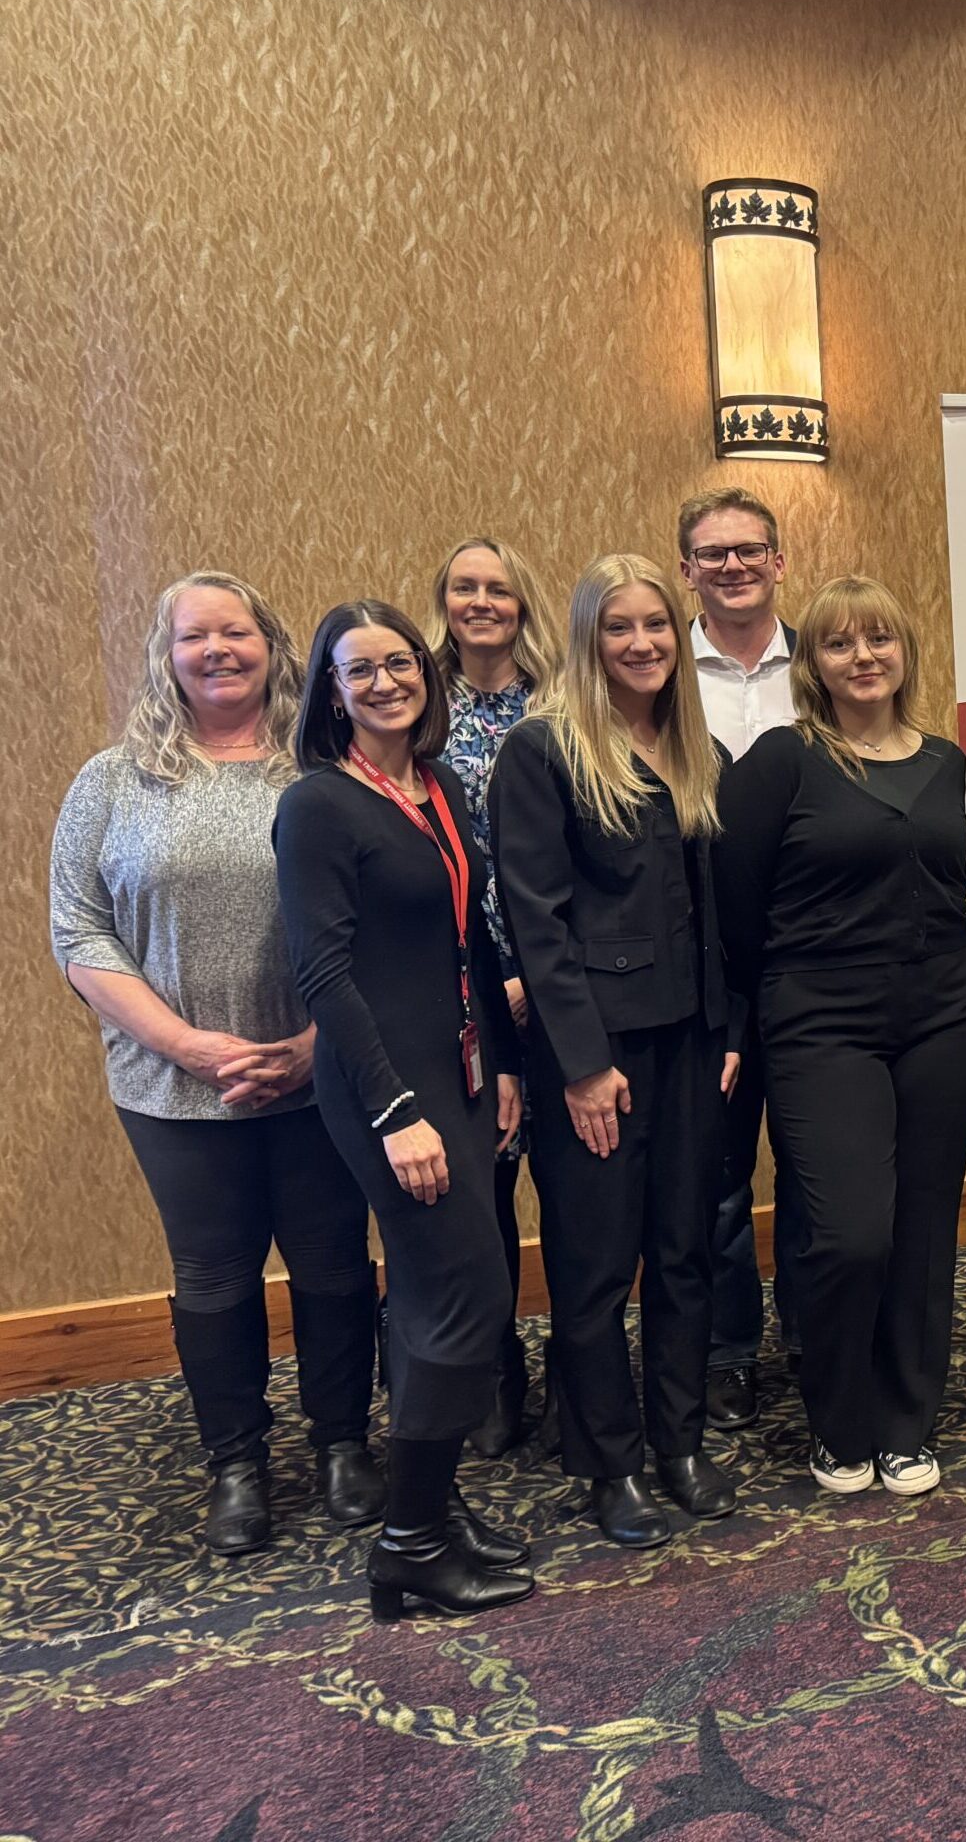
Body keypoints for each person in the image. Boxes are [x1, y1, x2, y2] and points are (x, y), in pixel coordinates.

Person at [50, 573, 382, 1556]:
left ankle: (341, 1444)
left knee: (331, 1262)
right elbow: (80, 935)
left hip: (322, 1071)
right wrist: (189, 1044)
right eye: (194, 637)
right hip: (172, 1085)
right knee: (213, 1273)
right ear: (168, 655)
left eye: (235, 632)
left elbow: (381, 923)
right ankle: (235, 1463)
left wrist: (318, 1046)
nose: (216, 651)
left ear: (273, 648)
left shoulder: (325, 769)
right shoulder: (111, 781)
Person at [273, 600, 532, 1618]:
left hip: (461, 1072)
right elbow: (323, 973)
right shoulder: (319, 806)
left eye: (399, 662)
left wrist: (503, 1065)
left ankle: (437, 1507)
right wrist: (393, 1112)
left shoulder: (438, 785)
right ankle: (411, 1544)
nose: (385, 681)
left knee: (456, 1296)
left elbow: (476, 947)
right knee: (461, 1299)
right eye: (359, 669)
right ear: (330, 692)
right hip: (387, 1088)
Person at [716, 576, 966, 1500]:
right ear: (813, 662)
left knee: (922, 1231)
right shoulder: (779, 763)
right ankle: (839, 1419)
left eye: (880, 639)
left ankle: (908, 1421)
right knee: (847, 1234)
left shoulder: (952, 765)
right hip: (818, 1021)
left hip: (944, 1018)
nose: (863, 657)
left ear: (905, 652)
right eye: (839, 643)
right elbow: (736, 907)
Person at [492, 553, 741, 1548]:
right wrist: (584, 1064)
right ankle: (610, 1463)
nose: (642, 644)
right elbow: (537, 921)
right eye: (619, 628)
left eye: (656, 627)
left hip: (688, 1040)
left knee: (685, 1251)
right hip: (593, 1053)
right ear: (589, 637)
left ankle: (677, 1442)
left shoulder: (688, 743)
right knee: (596, 1268)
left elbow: (710, 908)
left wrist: (724, 1030)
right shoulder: (543, 750)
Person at [424, 536, 559, 1457]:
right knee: (485, 1190)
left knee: (574, 1178)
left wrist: (535, 972)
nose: (482, 602)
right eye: (465, 588)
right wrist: (490, 979)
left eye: (499, 589)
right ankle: (496, 1365)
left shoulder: (559, 699)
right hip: (461, 987)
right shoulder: (415, 702)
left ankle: (582, 1365)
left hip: (562, 975)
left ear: (522, 604)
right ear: (444, 601)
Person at [676, 487, 802, 1432]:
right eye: (712, 554)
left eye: (748, 550)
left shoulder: (827, 663)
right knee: (717, 1177)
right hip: (700, 964)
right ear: (687, 570)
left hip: (808, 960)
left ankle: (810, 1334)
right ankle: (726, 1354)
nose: (732, 566)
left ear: (778, 560)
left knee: (811, 1166)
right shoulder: (657, 670)